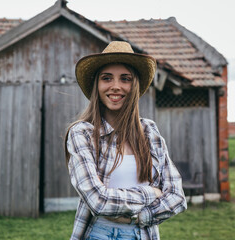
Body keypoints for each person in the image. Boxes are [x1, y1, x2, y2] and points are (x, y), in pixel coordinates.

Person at [64, 41, 187, 240]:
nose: (115, 86)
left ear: (135, 85)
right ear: (97, 84)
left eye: (125, 79)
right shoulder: (83, 133)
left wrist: (140, 217)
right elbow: (98, 200)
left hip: (144, 233)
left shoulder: (149, 132)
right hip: (98, 233)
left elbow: (177, 197)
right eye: (107, 78)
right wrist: (151, 193)